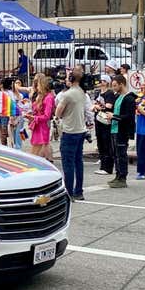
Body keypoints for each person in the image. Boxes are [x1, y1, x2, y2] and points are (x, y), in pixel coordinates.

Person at [55, 65, 87, 200]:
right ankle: (78, 190)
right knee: (78, 161)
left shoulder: (67, 95)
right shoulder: (82, 92)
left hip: (69, 130)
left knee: (68, 162)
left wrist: (58, 117)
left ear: (71, 78)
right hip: (80, 129)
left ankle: (68, 192)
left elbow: (58, 112)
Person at [106, 75, 137, 188]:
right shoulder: (118, 97)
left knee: (121, 154)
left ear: (121, 84)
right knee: (116, 154)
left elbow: (129, 116)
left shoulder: (129, 98)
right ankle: (118, 175)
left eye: (115, 85)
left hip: (122, 130)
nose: (113, 88)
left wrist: (114, 116)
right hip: (114, 129)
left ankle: (122, 177)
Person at [91, 75, 117, 175]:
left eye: (102, 81)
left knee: (106, 143)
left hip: (105, 120)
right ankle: (102, 164)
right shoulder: (98, 93)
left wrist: (98, 106)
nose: (100, 82)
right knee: (100, 142)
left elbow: (109, 106)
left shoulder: (109, 93)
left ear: (106, 82)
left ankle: (108, 167)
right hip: (98, 119)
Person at [26, 74, 54, 159]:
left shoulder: (48, 97)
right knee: (36, 148)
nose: (36, 87)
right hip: (37, 125)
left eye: (38, 85)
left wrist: (34, 118)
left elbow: (46, 116)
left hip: (42, 126)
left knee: (37, 150)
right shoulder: (42, 96)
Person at [0, 78, 15, 146]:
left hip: (5, 116)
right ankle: (4, 147)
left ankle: (6, 148)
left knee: (4, 135)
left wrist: (12, 117)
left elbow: (13, 105)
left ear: (1, 85)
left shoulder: (9, 93)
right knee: (1, 135)